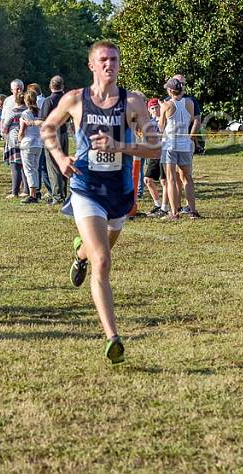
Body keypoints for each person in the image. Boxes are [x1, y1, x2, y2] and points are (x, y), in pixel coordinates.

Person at [41, 40, 162, 365]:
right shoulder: (75, 99)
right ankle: (113, 337)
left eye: (114, 60)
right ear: (92, 65)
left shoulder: (132, 102)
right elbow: (48, 127)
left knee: (98, 251)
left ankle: (80, 255)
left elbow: (155, 148)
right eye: (103, 60)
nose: (110, 64)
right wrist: (60, 156)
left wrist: (120, 145)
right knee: (104, 261)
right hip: (86, 188)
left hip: (120, 193)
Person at [159, 77, 198, 220]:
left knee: (171, 179)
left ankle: (174, 213)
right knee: (187, 178)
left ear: (170, 90)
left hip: (170, 145)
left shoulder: (167, 105)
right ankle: (193, 211)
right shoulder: (190, 103)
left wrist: (162, 109)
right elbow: (192, 119)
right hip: (185, 144)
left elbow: (161, 126)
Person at [40, 76, 69, 205]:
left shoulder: (48, 101)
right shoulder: (66, 100)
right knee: (64, 163)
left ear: (51, 86)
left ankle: (57, 195)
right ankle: (64, 192)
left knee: (53, 166)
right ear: (62, 86)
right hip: (64, 133)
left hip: (52, 135)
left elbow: (44, 120)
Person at [142, 98, 168, 217]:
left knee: (164, 181)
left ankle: (164, 207)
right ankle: (157, 204)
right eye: (152, 108)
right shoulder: (149, 122)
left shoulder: (166, 119)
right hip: (154, 153)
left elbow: (163, 130)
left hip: (166, 152)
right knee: (147, 179)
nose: (155, 110)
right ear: (149, 110)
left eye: (157, 107)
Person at [19, 89, 45, 203]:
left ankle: (32, 194)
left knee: (28, 169)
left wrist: (19, 139)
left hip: (28, 143)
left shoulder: (25, 114)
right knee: (35, 168)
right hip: (38, 143)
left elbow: (22, 131)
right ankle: (37, 191)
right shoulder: (40, 112)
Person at [3, 92, 28, 199]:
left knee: (15, 167)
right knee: (26, 167)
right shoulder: (28, 112)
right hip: (27, 141)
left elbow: (5, 127)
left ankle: (14, 192)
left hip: (14, 141)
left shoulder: (13, 112)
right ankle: (26, 190)